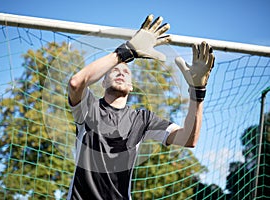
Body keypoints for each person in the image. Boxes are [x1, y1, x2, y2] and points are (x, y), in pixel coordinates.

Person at [66, 14, 215, 200]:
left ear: (131, 86)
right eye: (115, 70)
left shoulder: (142, 119)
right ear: (103, 81)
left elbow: (188, 139)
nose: (121, 72)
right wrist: (125, 53)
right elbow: (76, 83)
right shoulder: (89, 108)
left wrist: (197, 91)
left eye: (126, 71)